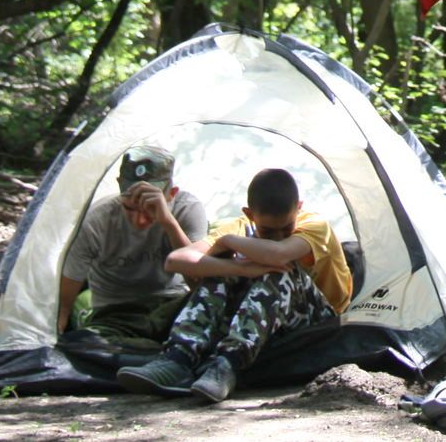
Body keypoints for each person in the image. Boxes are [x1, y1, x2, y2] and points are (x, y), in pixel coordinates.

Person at [117, 166, 354, 404]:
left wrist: (228, 242)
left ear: (299, 208)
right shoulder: (240, 226)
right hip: (260, 320)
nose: (278, 236)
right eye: (268, 230)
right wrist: (238, 267)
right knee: (219, 265)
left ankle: (228, 363)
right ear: (249, 214)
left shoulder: (315, 225)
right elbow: (176, 260)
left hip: (317, 322)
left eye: (286, 229)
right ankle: (179, 357)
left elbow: (278, 254)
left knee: (279, 268)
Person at [57, 146, 210, 341]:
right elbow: (68, 291)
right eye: (129, 209)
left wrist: (168, 222)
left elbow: (198, 283)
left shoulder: (186, 209)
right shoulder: (99, 218)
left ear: (172, 193)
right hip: (114, 312)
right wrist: (60, 324)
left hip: (171, 303)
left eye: (150, 209)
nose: (139, 220)